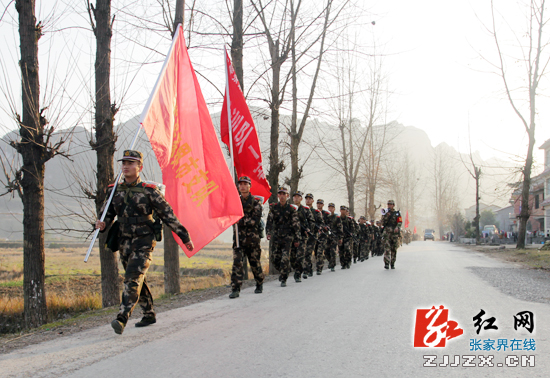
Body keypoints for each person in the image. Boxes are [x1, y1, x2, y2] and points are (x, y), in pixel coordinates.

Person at [96, 150, 194, 335]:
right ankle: (148, 313)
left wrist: (185, 236)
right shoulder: (113, 190)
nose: (126, 166)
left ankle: (122, 317)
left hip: (144, 241)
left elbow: (168, 215)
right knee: (137, 279)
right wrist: (102, 224)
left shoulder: (150, 191)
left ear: (139, 167)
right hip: (124, 241)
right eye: (124, 162)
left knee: (133, 278)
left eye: (131, 163)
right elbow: (106, 215)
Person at [229, 176, 265, 299]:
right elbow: (230, 216)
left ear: (249, 186)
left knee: (254, 263)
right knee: (237, 263)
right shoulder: (235, 202)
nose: (243, 186)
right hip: (239, 239)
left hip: (252, 240)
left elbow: (254, 220)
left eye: (245, 184)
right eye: (241, 184)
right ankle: (235, 288)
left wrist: (239, 220)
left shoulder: (256, 202)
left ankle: (259, 282)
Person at [266, 187, 301, 287]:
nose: (282, 196)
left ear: (287, 196)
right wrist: (268, 232)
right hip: (276, 237)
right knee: (275, 259)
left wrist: (297, 238)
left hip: (287, 237)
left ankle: (283, 278)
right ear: (278, 196)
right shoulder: (274, 208)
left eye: (284, 194)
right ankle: (285, 269)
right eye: (280, 194)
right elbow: (269, 221)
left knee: (285, 258)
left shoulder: (291, 209)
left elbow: (296, 224)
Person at [289, 191, 312, 282]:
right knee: (292, 256)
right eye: (295, 197)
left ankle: (298, 274)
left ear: (301, 199)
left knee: (300, 256)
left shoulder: (305, 209)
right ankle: (296, 269)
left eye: (298, 197)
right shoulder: (290, 208)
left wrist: (309, 229)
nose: (296, 198)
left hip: (302, 236)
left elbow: (311, 221)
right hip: (291, 236)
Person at [304, 193, 324, 278]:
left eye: (310, 199)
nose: (308, 200)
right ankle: (309, 269)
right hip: (303, 235)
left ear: (312, 201)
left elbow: (321, 223)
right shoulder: (302, 210)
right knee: (304, 253)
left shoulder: (316, 212)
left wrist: (319, 228)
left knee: (308, 252)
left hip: (312, 235)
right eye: (307, 199)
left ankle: (307, 270)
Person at [381, 199, 402, 269]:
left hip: (394, 234)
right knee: (387, 248)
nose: (389, 206)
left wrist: (397, 227)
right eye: (388, 204)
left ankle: (392, 263)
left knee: (394, 249)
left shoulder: (397, 213)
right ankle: (386, 263)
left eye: (391, 204)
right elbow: (382, 223)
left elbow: (399, 222)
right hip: (387, 233)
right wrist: (386, 216)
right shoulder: (385, 213)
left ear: (393, 205)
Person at [325, 203, 343, 272]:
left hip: (334, 237)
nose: (330, 209)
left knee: (332, 251)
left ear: (334, 209)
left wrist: (340, 237)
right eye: (329, 208)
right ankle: (330, 261)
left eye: (332, 208)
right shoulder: (326, 216)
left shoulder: (337, 218)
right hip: (327, 236)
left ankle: (332, 265)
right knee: (326, 251)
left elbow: (340, 228)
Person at [314, 199, 330, 274]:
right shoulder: (314, 212)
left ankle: (319, 268)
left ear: (323, 205)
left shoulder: (326, 214)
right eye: (318, 203)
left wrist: (326, 227)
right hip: (315, 235)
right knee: (316, 252)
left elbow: (329, 223)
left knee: (320, 251)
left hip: (323, 235)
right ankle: (318, 263)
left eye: (320, 204)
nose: (319, 205)